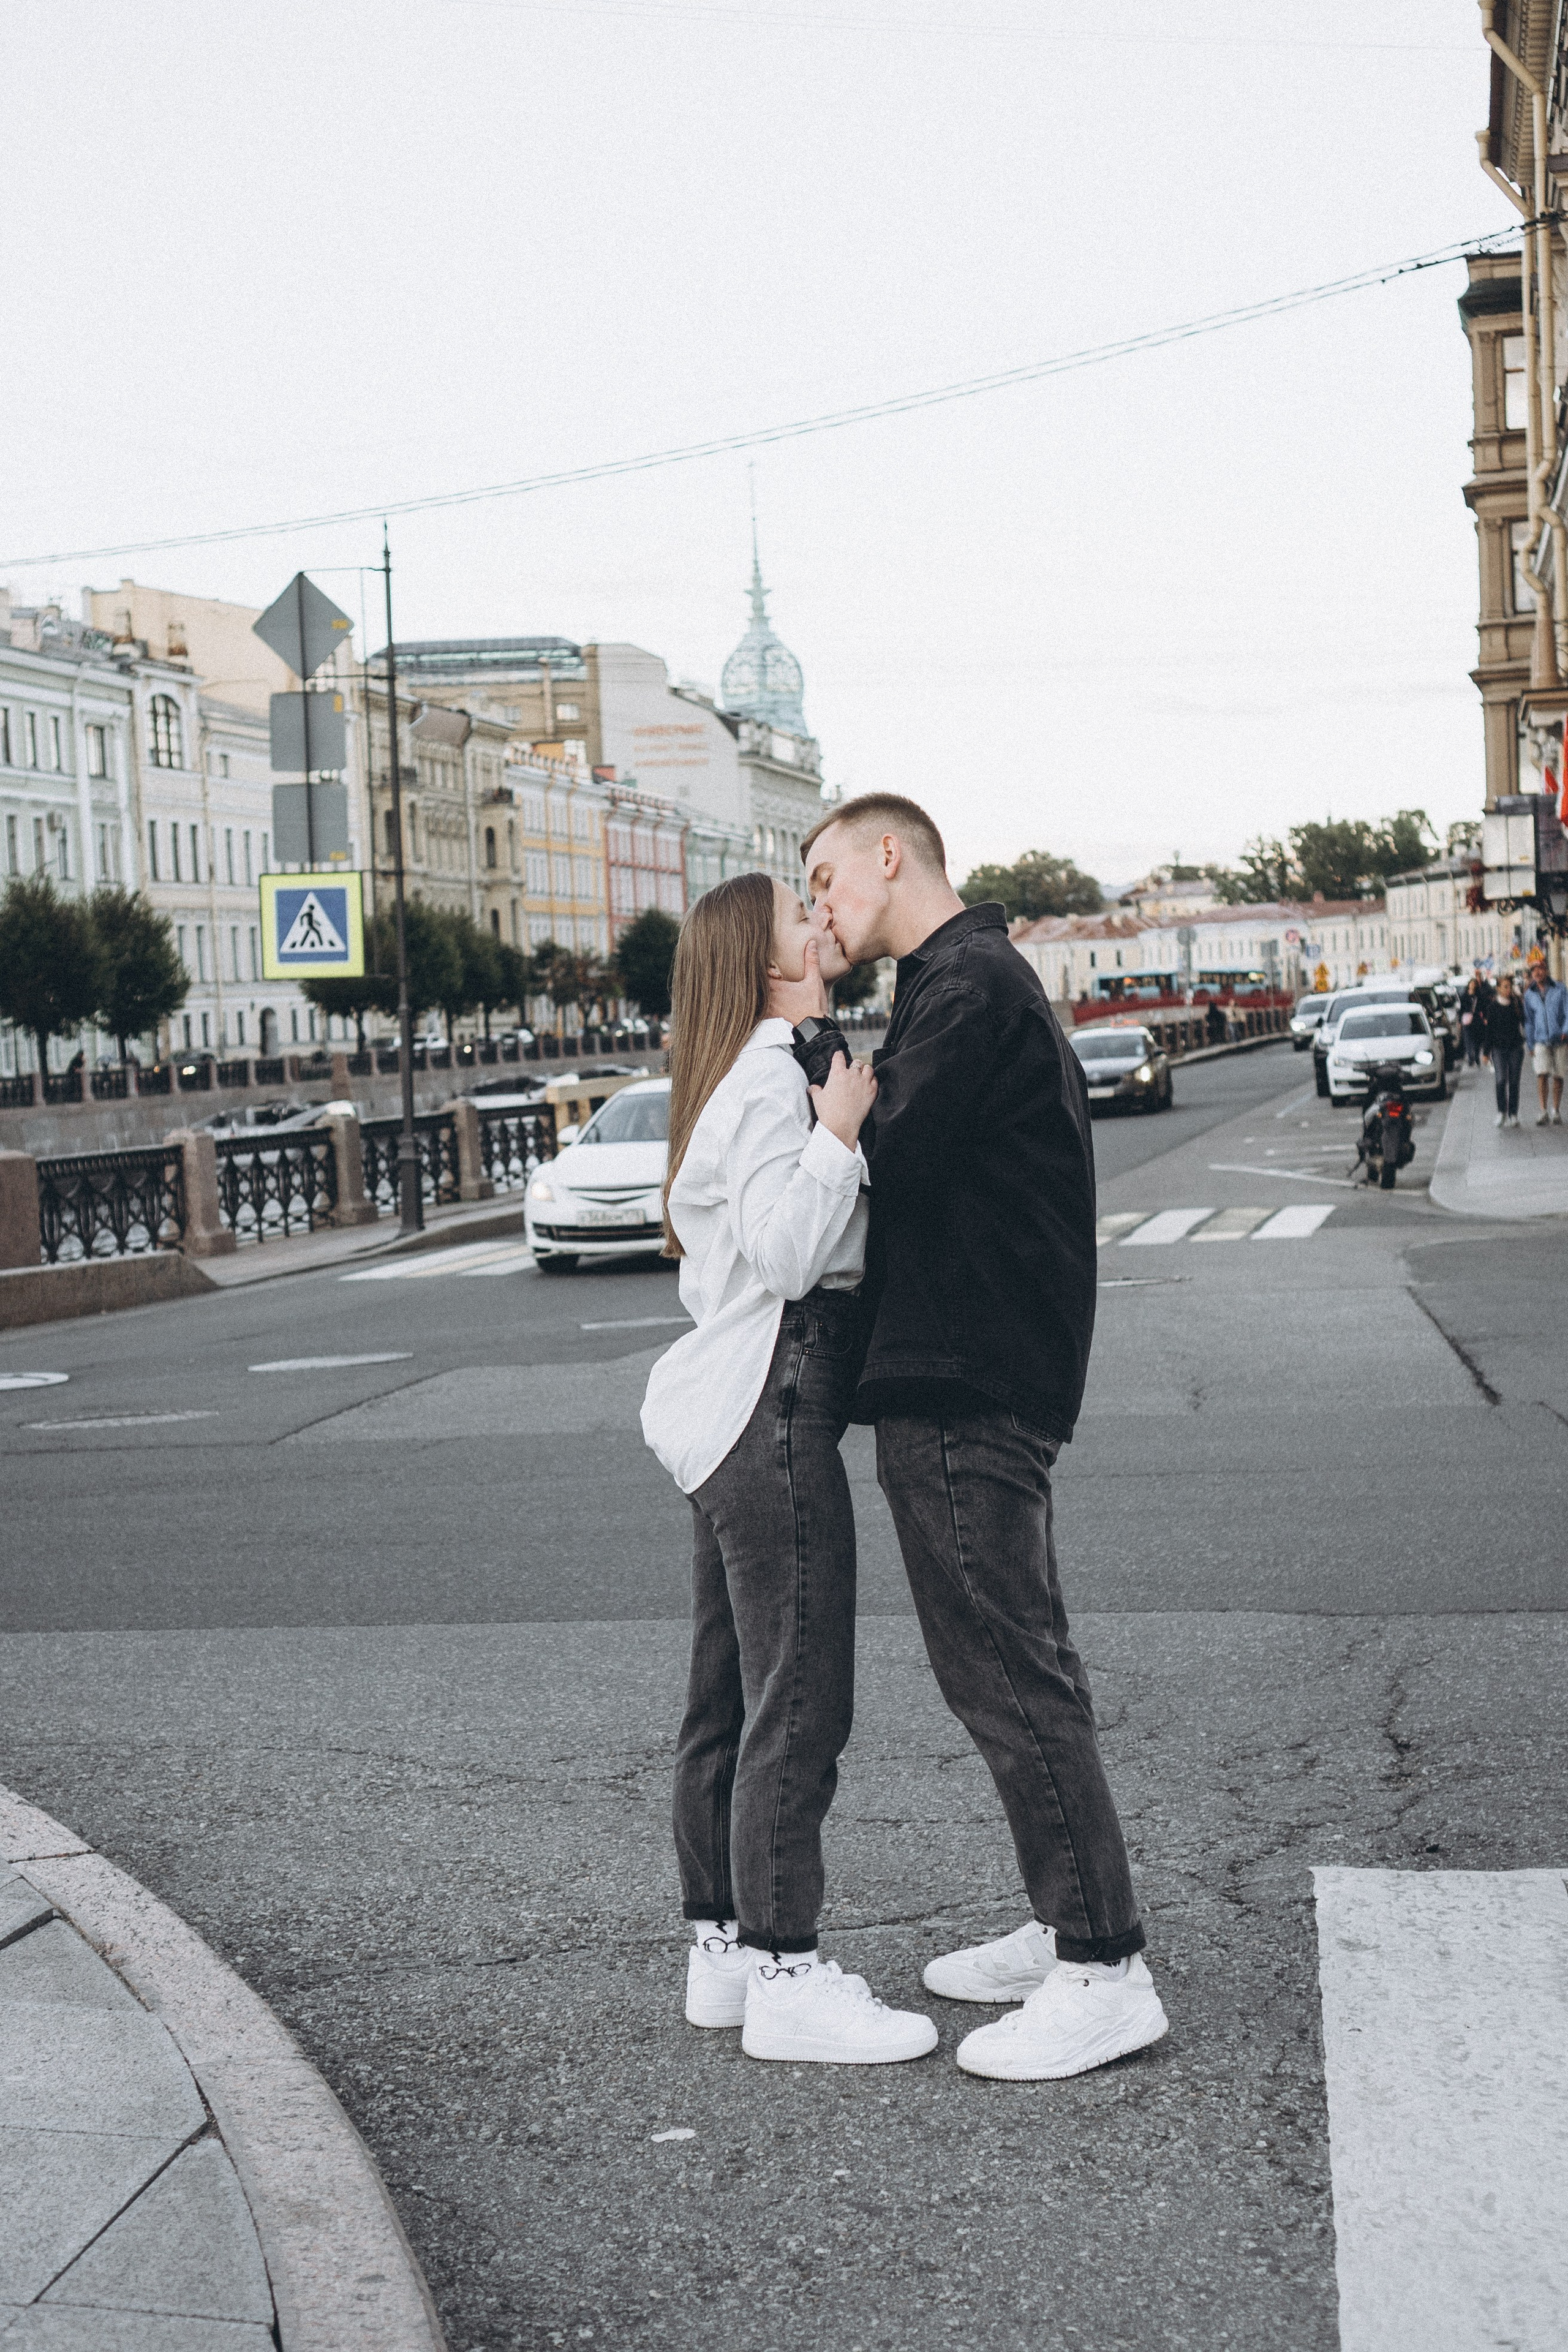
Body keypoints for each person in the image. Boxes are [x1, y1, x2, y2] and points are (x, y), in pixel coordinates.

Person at [801, 791, 1168, 2083]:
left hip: (962, 1378)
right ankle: (1060, 1917)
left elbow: (876, 1153)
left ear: (887, 855)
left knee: (1006, 1674)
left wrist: (798, 1045)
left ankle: (1099, 1966)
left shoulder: (964, 988)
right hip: (978, 1367)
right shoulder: (960, 984)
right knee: (1012, 1663)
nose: (818, 910)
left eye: (826, 880)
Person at [640, 870, 938, 2069]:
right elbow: (783, 1251)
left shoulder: (743, 1072)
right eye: (796, 918)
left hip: (729, 1418)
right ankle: (786, 1969)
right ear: (765, 963)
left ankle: (721, 1947)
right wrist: (838, 1133)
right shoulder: (775, 1079)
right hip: (773, 1406)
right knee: (799, 1694)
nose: (819, 922)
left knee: (728, 1697)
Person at [1523, 960, 1568, 1125]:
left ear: (1546, 970)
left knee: (1558, 1074)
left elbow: (1567, 1011)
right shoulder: (1529, 994)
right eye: (1534, 971)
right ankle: (1543, 1111)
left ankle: (1556, 1110)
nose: (1537, 973)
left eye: (1540, 969)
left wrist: (1565, 1031)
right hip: (1540, 1039)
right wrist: (1530, 1042)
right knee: (1541, 1074)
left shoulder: (1560, 989)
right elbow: (1528, 1021)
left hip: (1560, 1039)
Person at [1485, 971, 1526, 1128]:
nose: (1508, 989)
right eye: (1505, 986)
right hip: (1499, 1049)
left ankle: (1513, 1114)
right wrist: (1485, 1053)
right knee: (1501, 1080)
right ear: (1498, 989)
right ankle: (1502, 1111)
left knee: (1514, 1081)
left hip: (1515, 1048)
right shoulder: (1493, 1007)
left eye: (1510, 986)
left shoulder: (1516, 1004)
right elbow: (1489, 1031)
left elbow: (1524, 1021)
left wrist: (1519, 1000)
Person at [1460, 971, 1490, 1068]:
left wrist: (1485, 1018)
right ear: (1469, 985)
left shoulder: (1479, 996)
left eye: (1474, 984)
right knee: (1468, 1040)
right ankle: (1470, 1058)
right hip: (1467, 1021)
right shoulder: (1464, 996)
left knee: (1477, 1041)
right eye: (1471, 984)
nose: (1472, 986)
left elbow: (1484, 1008)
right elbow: (1461, 1009)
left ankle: (1477, 1057)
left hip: (1477, 1021)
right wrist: (1459, 1021)